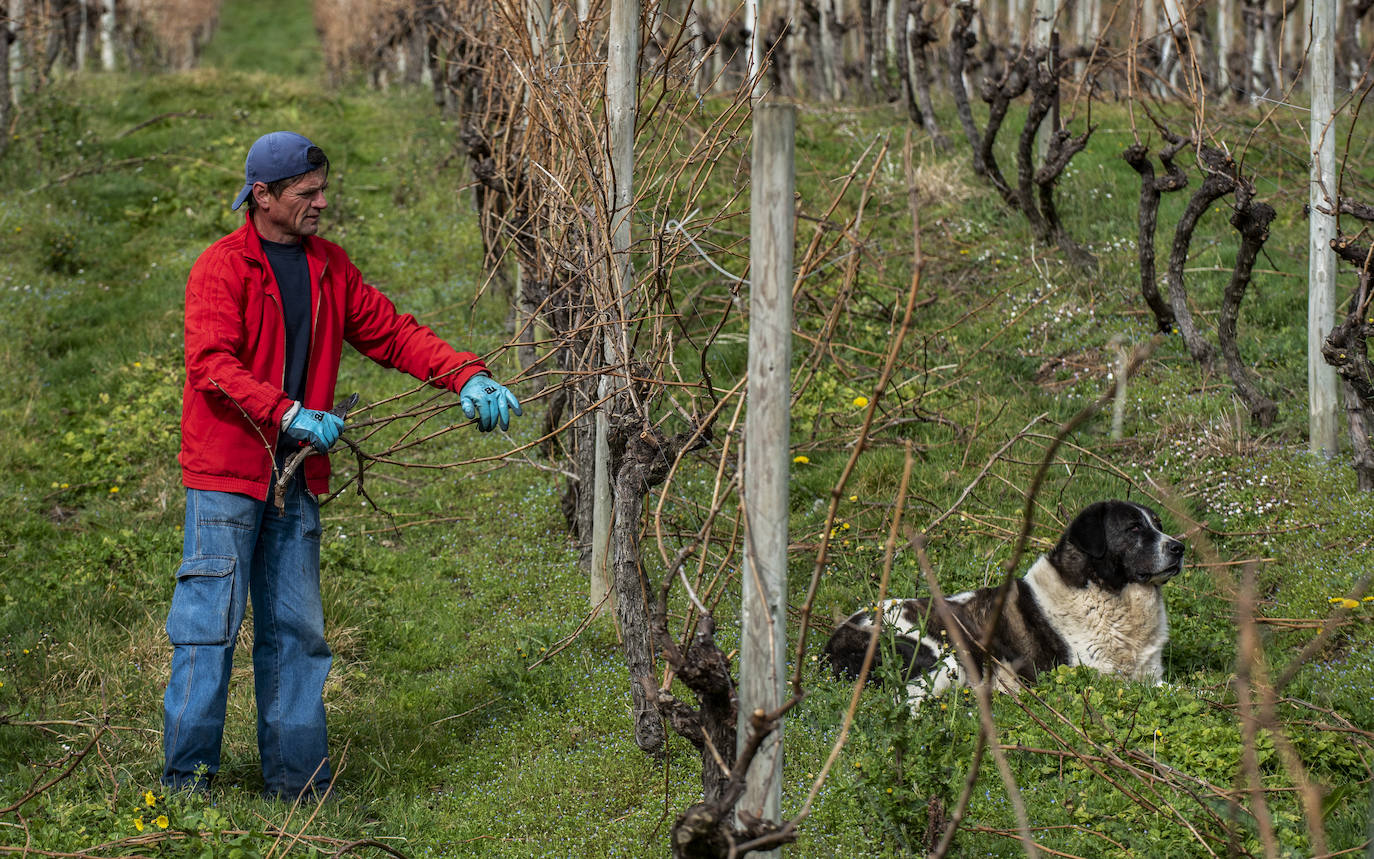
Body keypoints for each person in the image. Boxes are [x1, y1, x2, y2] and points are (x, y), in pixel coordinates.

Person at [162, 131, 521, 800]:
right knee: (206, 630)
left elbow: (392, 331)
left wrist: (466, 376)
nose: (322, 202)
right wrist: (287, 410)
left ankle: (298, 787)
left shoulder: (329, 266)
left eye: (323, 190)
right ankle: (185, 787)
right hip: (227, 477)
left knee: (297, 633)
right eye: (307, 193)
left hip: (295, 475)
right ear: (262, 197)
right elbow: (211, 363)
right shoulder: (221, 267)